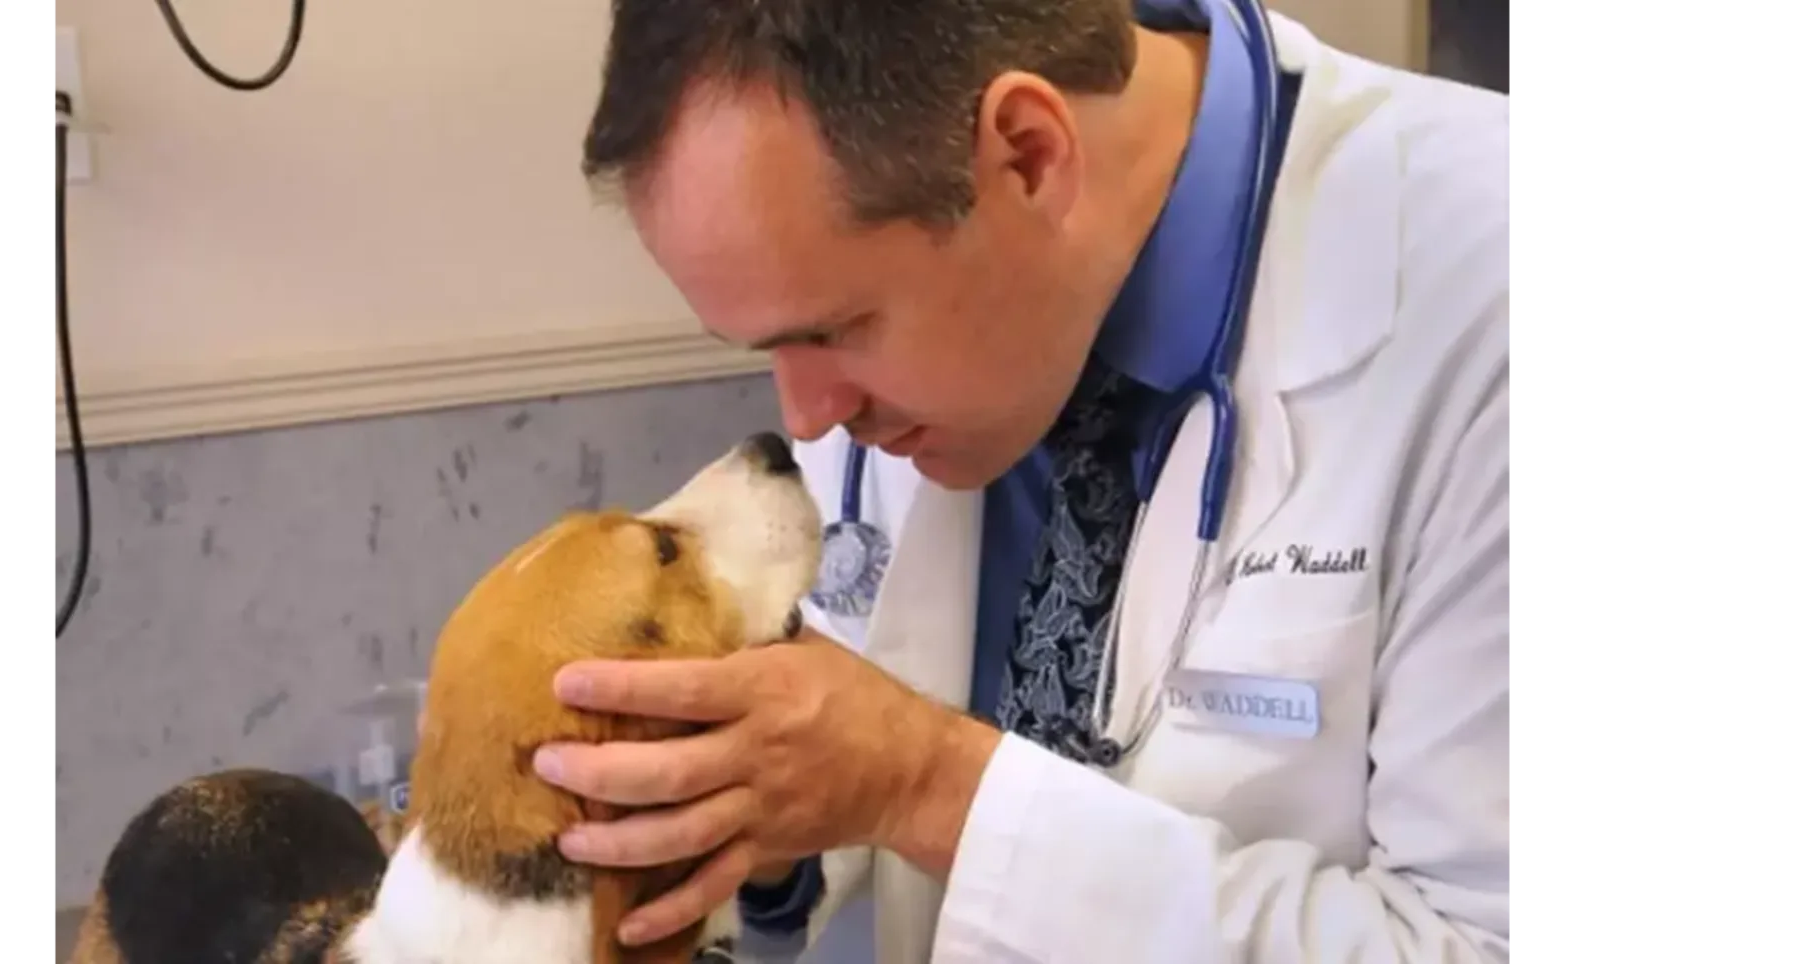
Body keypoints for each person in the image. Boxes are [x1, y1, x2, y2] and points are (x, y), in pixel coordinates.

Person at [518, 0, 1515, 960]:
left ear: (1029, 156)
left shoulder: (1480, 284)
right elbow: (858, 716)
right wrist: (764, 834)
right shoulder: (916, 321)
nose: (807, 418)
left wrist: (926, 786)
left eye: (831, 329)